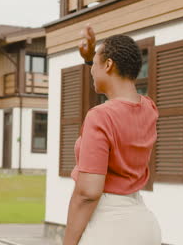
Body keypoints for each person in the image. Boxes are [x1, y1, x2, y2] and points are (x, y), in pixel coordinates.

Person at [62, 25, 162, 245]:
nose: (91, 70)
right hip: (143, 225)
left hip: (108, 229)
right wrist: (90, 59)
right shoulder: (149, 108)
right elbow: (119, 103)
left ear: (108, 65)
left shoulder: (100, 117)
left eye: (95, 63)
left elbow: (88, 192)